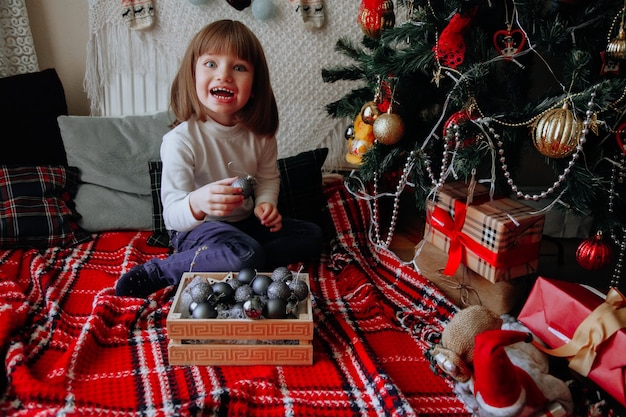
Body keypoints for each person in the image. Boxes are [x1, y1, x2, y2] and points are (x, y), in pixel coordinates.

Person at [115, 20, 324, 298]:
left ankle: (241, 259)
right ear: (192, 74)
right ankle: (162, 270)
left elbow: (267, 178)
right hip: (197, 230)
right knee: (246, 254)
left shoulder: (260, 135)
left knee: (312, 235)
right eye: (211, 64)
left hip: (246, 226)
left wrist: (265, 203)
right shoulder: (181, 140)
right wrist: (198, 202)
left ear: (256, 83)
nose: (224, 75)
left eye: (239, 67)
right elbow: (173, 215)